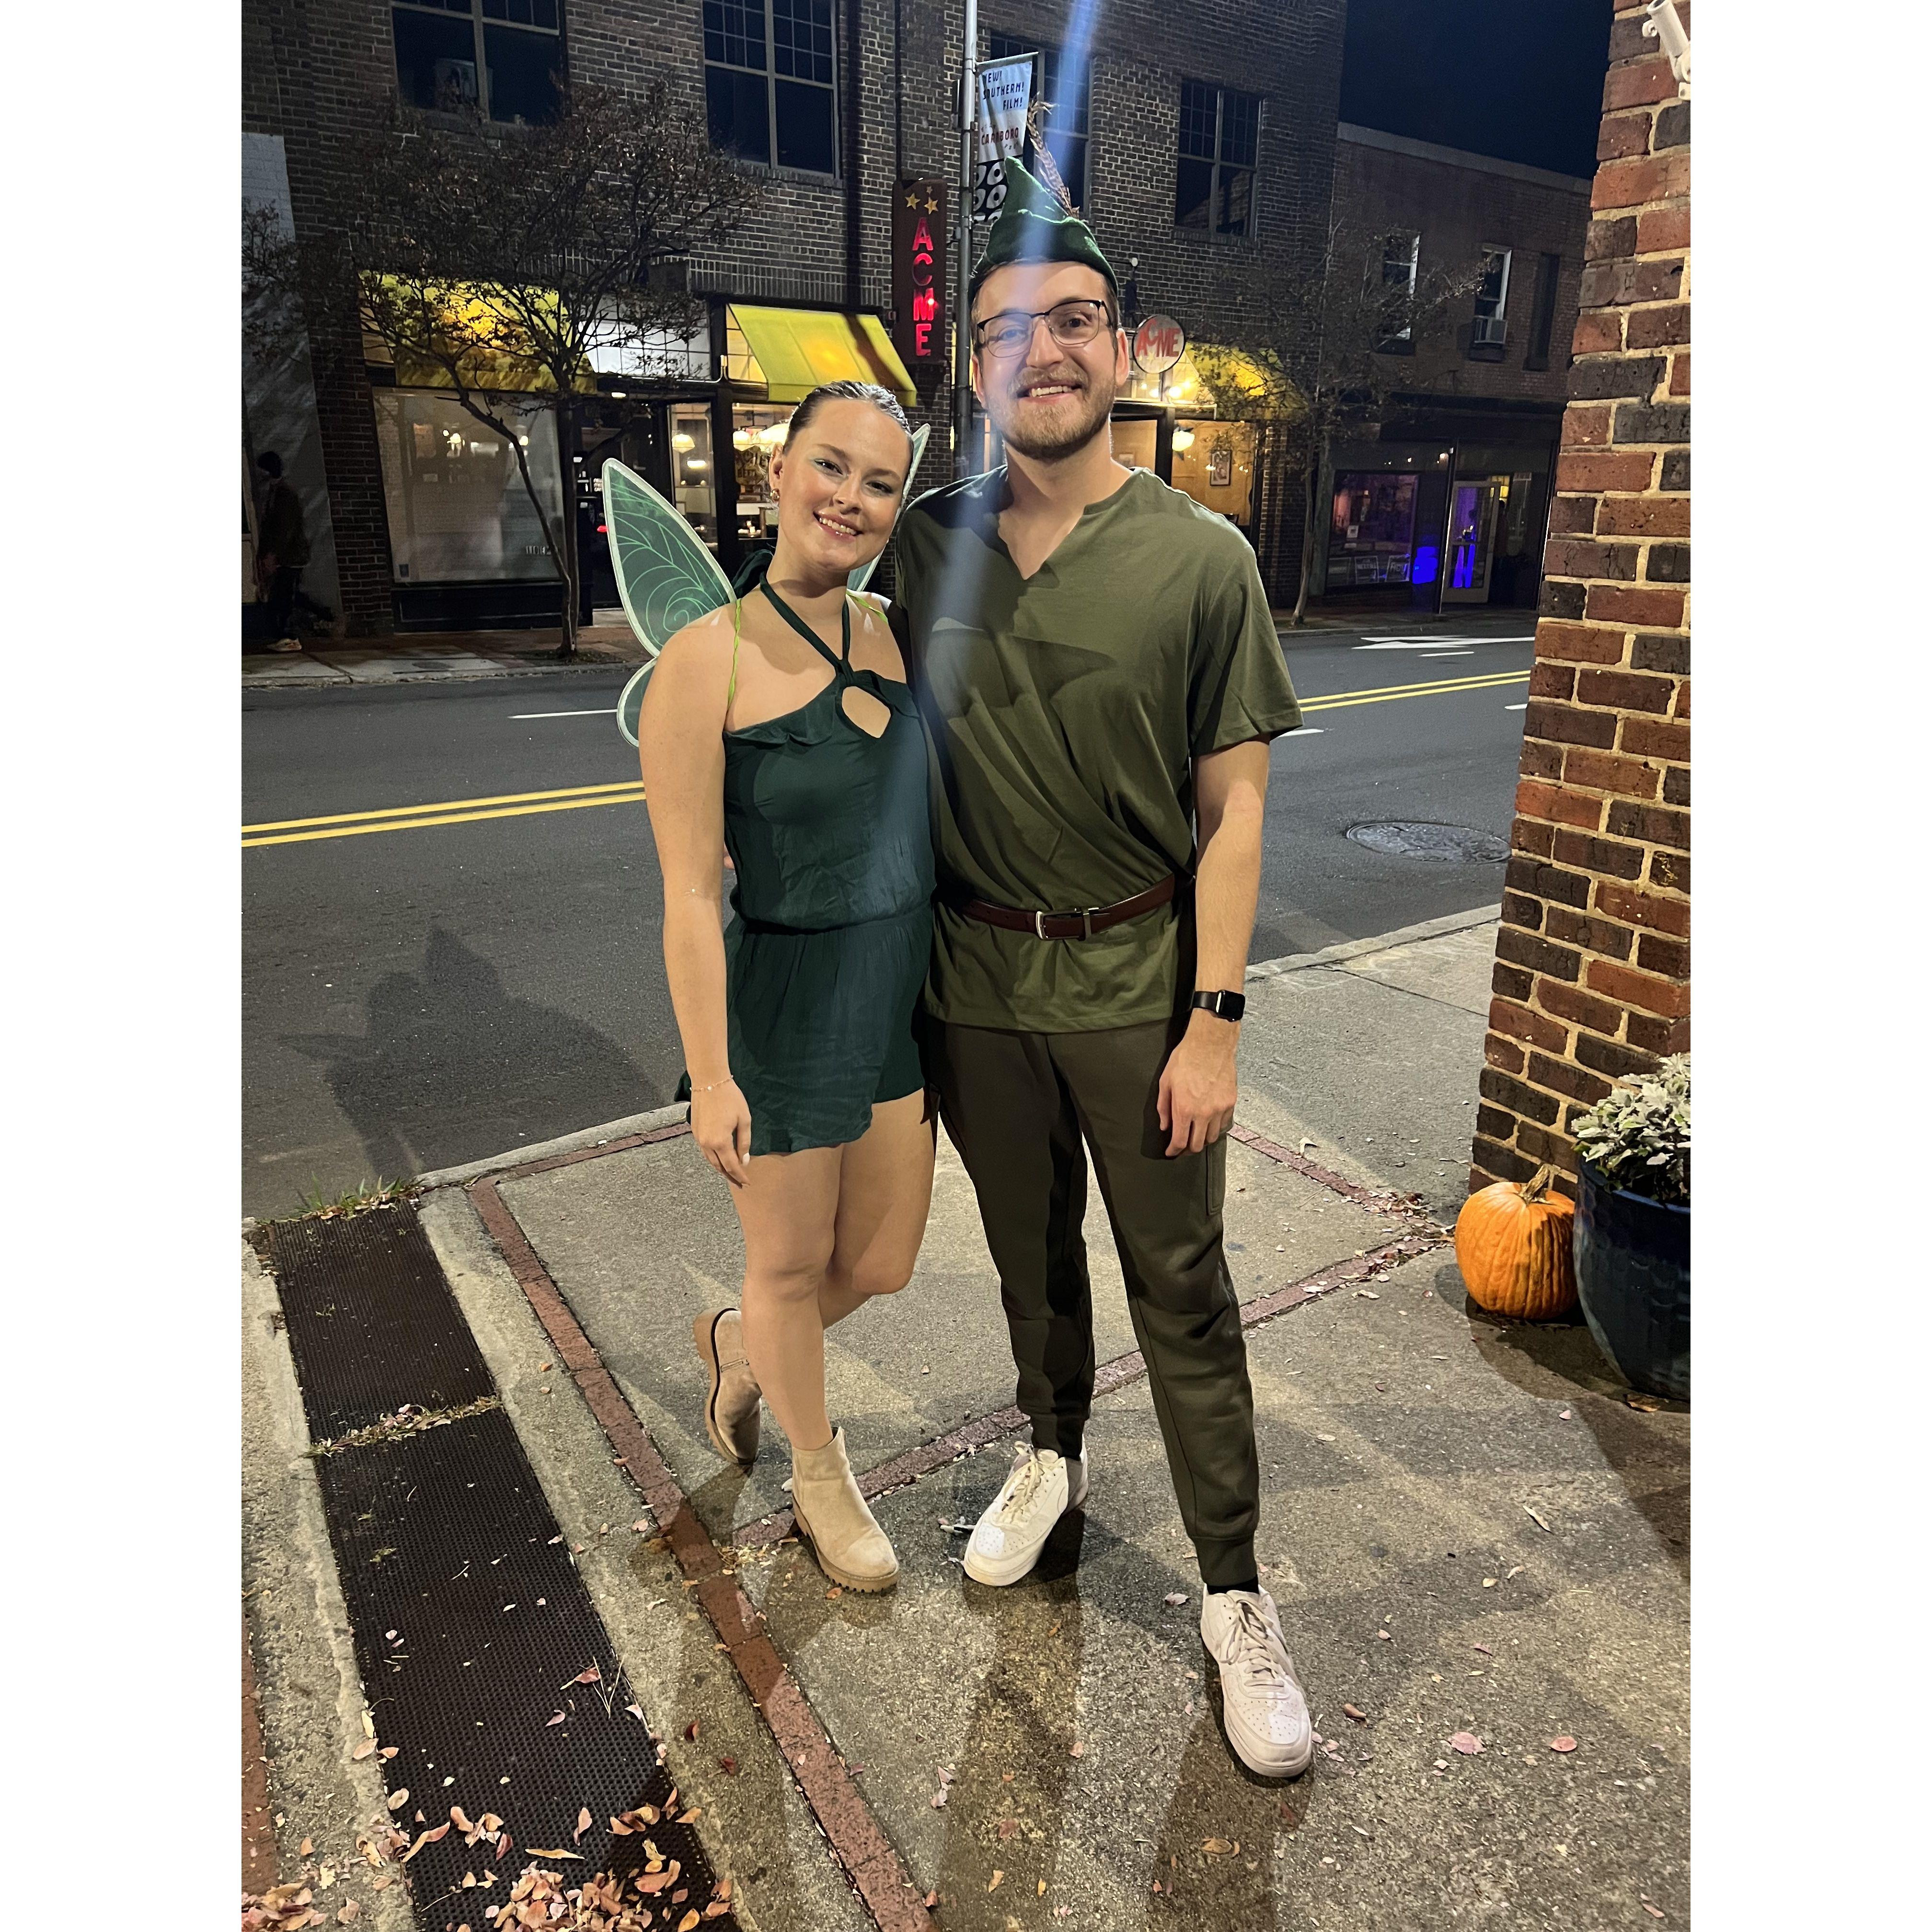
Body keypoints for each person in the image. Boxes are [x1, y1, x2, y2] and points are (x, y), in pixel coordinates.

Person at [891, 161, 1314, 1778]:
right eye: (1005, 332)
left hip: (1140, 990)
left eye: (1072, 320)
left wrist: (1216, 1021)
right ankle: (1053, 1454)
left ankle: (1234, 1592)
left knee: (1182, 1290)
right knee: (1028, 1258)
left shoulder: (1201, 559)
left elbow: (1235, 812)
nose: (1042, 354)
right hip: (973, 990)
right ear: (975, 368)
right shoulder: (923, 550)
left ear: (1128, 346)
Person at [636, 380, 933, 1596]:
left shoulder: (898, 631)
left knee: (884, 1261)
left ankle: (740, 1347)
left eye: (880, 482)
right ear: (778, 471)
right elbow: (687, 895)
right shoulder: (704, 661)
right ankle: (819, 1476)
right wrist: (711, 1076)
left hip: (896, 997)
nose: (850, 498)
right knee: (790, 1263)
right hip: (786, 1005)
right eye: (831, 466)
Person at [254, 451, 310, 652]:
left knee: (285, 595)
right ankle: (287, 635)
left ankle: (291, 636)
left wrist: (273, 555)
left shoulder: (284, 494)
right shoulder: (277, 492)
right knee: (284, 594)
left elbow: (284, 529)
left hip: (289, 557)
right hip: (287, 556)